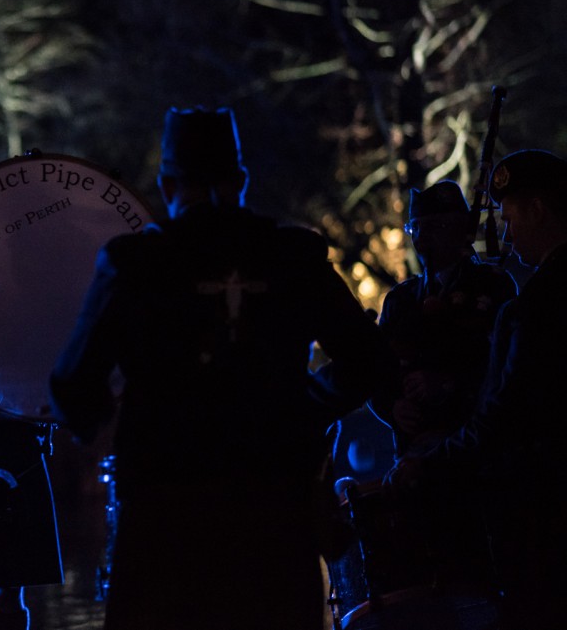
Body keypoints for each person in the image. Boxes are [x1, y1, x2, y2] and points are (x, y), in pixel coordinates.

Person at [50, 107, 390, 630]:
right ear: (241, 180)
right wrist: (302, 405)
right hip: (274, 514)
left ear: (167, 184)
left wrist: (116, 423)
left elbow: (72, 384)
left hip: (165, 517)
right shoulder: (293, 256)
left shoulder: (135, 262)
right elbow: (367, 360)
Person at [386, 149, 567, 628]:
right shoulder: (403, 299)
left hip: (530, 497)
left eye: (509, 217)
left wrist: (435, 453)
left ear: (537, 209)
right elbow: (383, 373)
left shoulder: (525, 303)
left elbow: (506, 409)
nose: (505, 232)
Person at [374, 180, 516, 456]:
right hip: (413, 454)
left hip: (476, 449)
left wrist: (449, 385)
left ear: (462, 230)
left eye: (436, 226)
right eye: (416, 227)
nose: (422, 237)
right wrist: (391, 406)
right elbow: (377, 369)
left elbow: (507, 367)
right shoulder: (400, 300)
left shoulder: (493, 286)